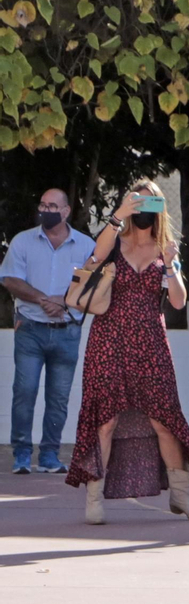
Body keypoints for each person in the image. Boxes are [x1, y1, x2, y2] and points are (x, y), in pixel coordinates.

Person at [65, 180, 189, 524]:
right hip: (108, 340)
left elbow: (179, 301)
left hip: (151, 343)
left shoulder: (164, 248)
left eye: (151, 204)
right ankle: (94, 499)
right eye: (138, 203)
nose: (144, 211)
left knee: (164, 419)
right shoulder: (115, 241)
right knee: (106, 419)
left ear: (161, 209)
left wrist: (170, 264)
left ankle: (181, 495)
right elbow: (96, 256)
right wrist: (119, 216)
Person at [1, 188, 95, 474]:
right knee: (24, 392)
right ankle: (21, 454)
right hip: (30, 329)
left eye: (52, 206)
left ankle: (50, 456)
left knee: (58, 397)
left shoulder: (86, 245)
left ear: (66, 212)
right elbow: (9, 279)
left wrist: (64, 302)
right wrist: (43, 299)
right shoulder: (23, 241)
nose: (45, 210)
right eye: (42, 205)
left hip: (67, 332)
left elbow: (95, 285)